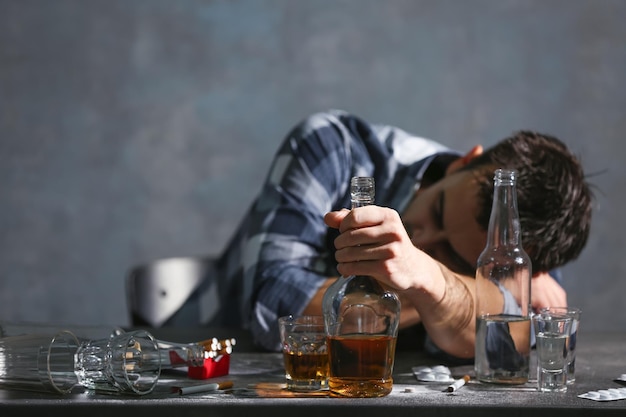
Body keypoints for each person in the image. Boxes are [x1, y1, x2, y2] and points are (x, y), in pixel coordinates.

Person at [214, 109, 592, 360]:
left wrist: (425, 276)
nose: (422, 239)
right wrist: (437, 283)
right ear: (463, 161)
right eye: (438, 207)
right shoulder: (334, 147)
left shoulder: (524, 239)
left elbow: (534, 340)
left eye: (455, 255)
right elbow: (274, 307)